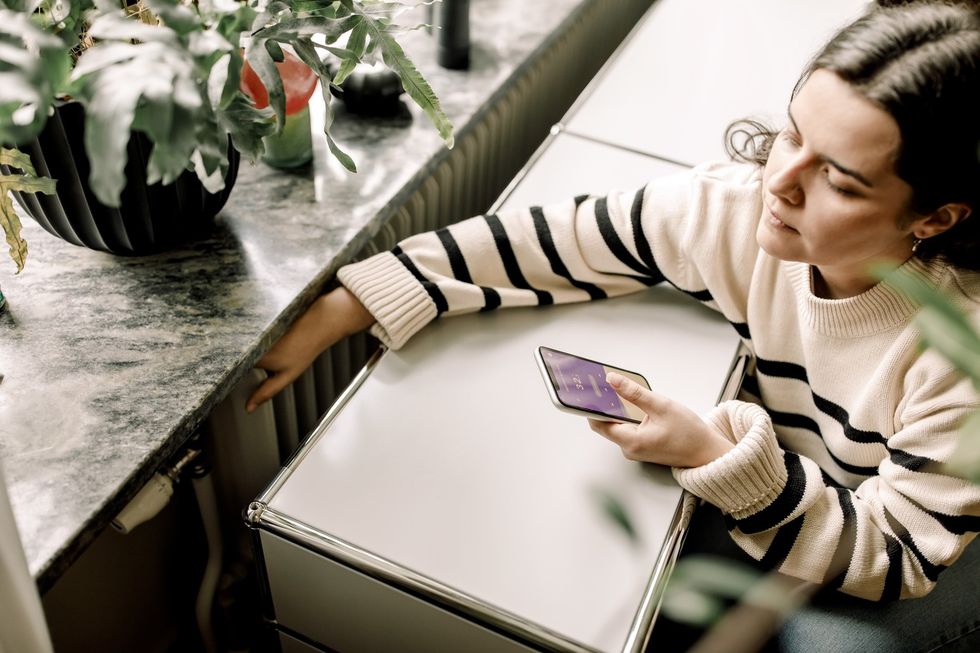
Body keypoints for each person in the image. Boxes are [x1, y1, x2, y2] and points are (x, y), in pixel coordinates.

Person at [246, 1, 980, 650]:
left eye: (840, 180)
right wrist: (355, 301)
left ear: (936, 217)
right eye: (792, 136)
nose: (781, 181)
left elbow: (899, 557)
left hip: (932, 543)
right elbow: (555, 241)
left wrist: (715, 454)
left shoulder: (959, 350)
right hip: (818, 488)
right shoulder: (732, 210)